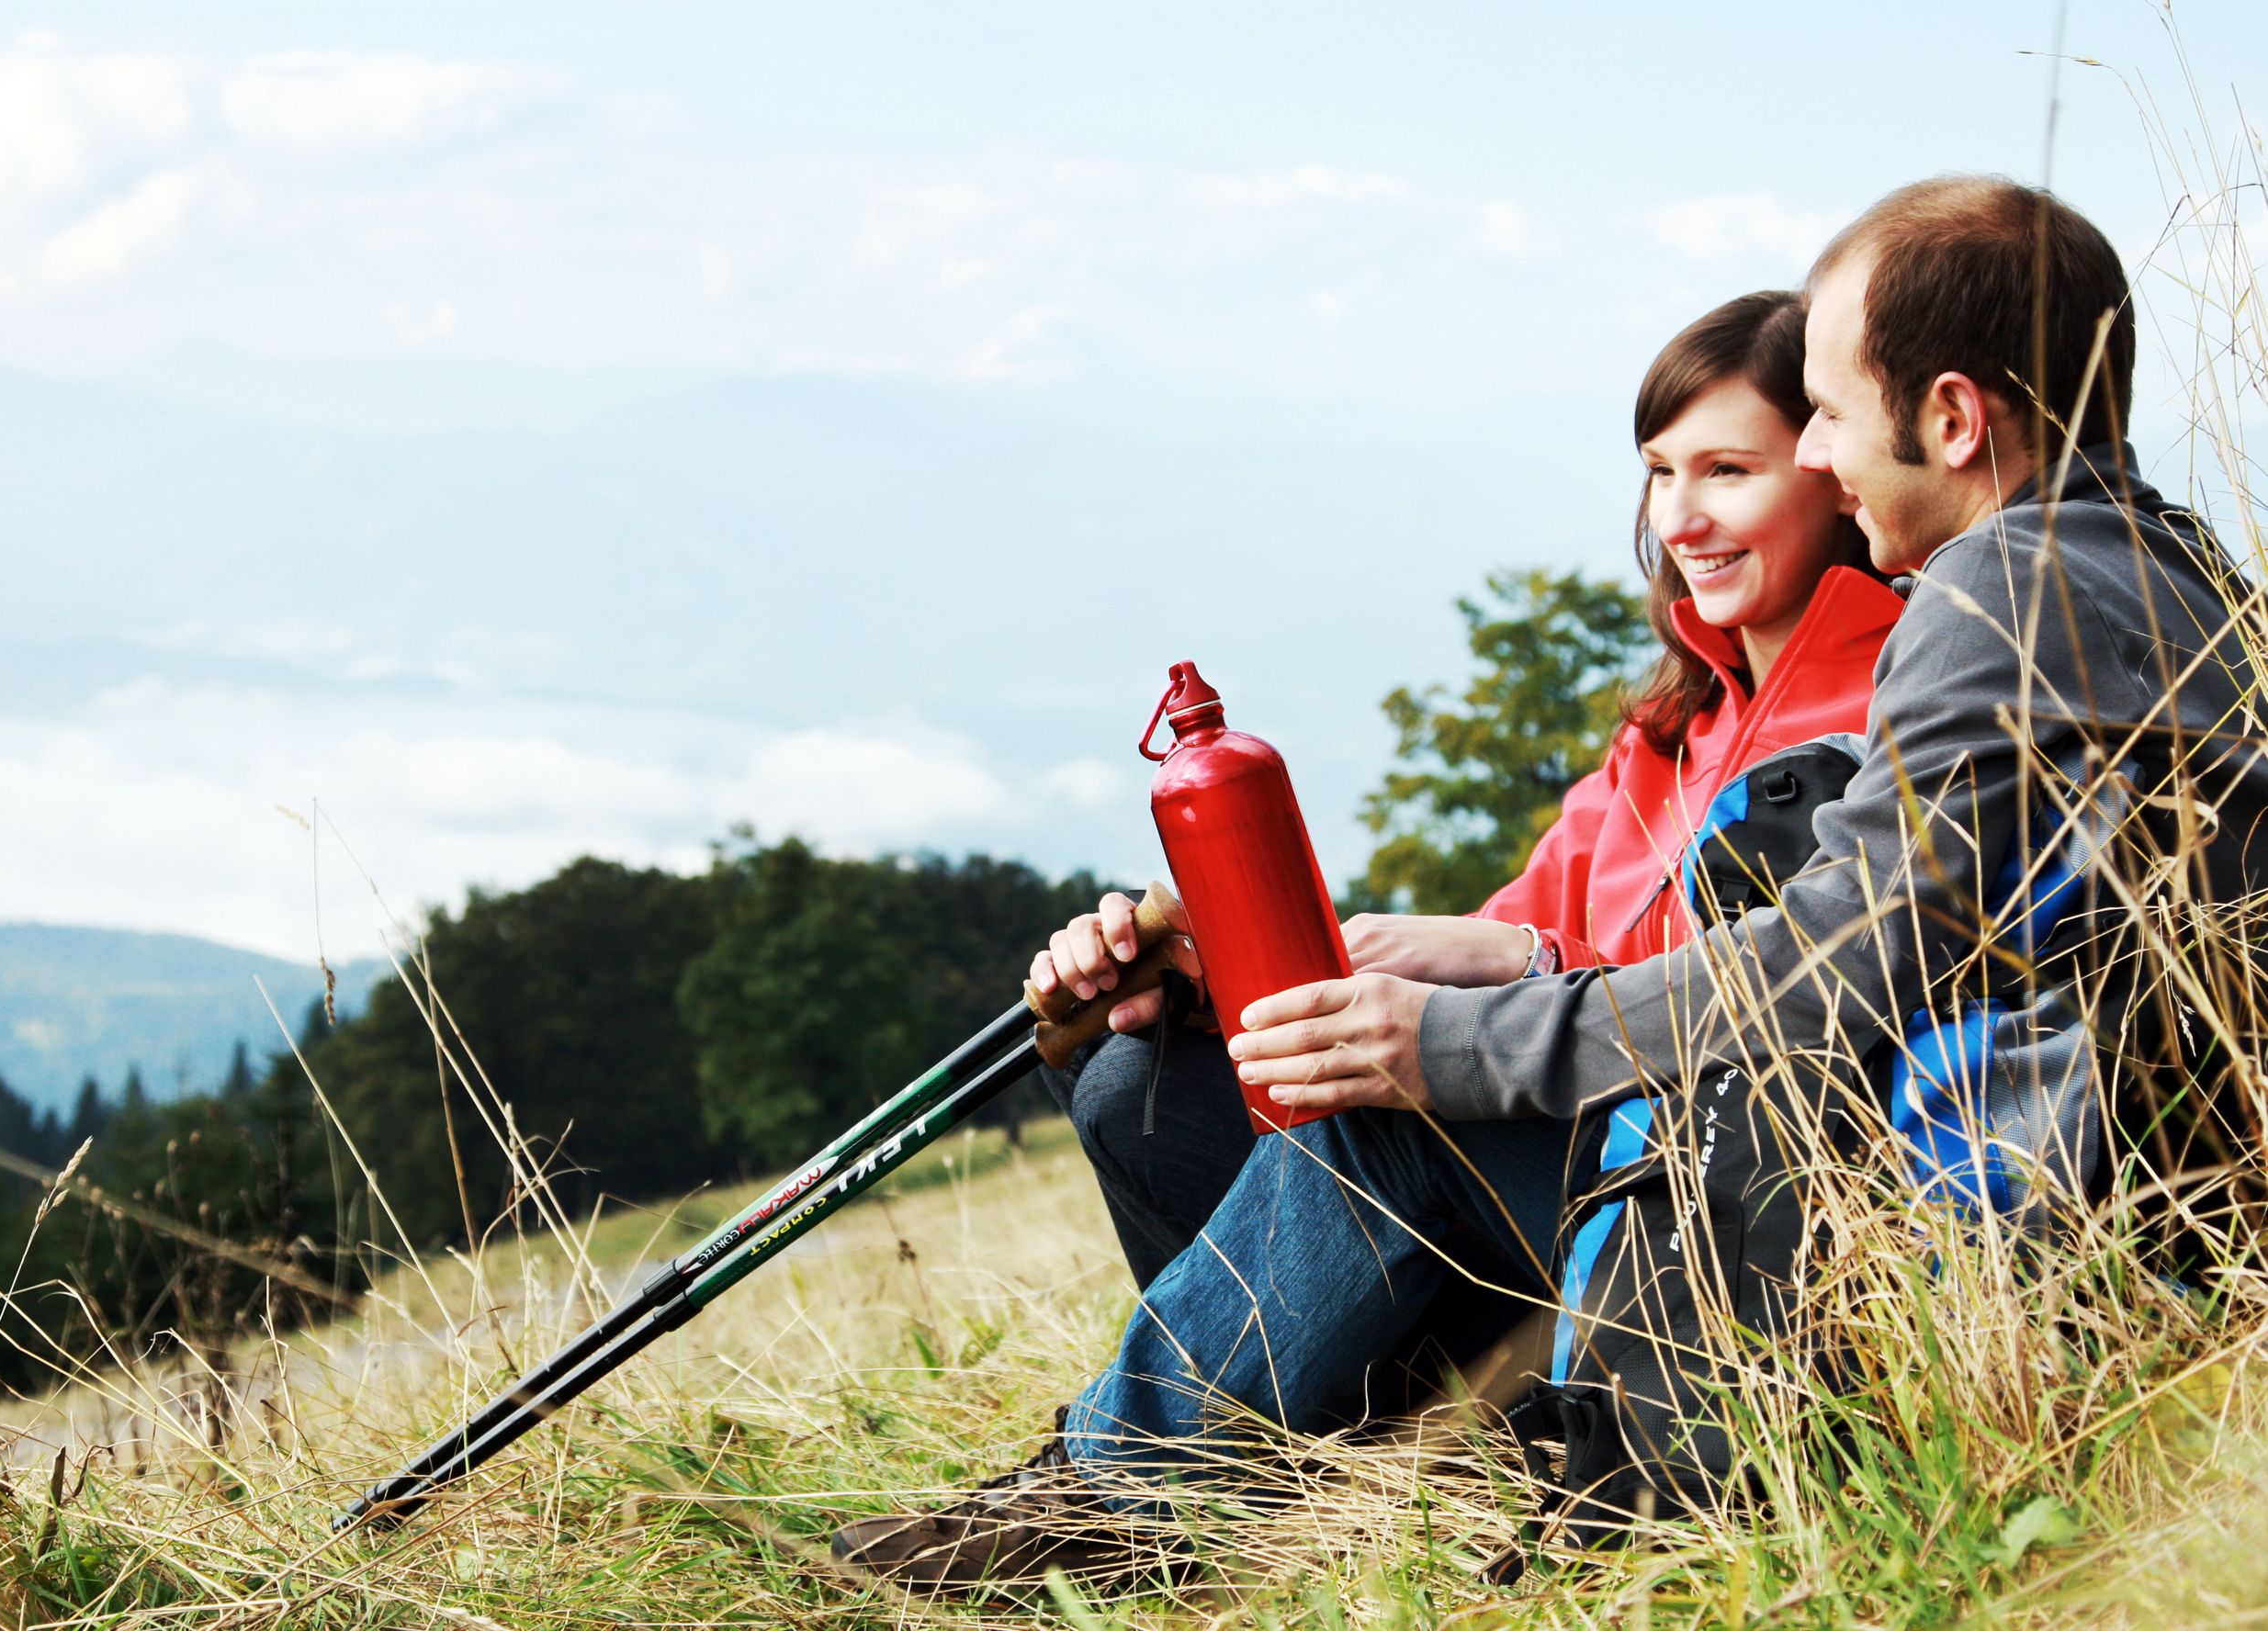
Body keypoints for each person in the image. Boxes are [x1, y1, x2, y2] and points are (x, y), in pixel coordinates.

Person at [831, 174, 2268, 1591]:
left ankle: (1103, 1510)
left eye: (1821, 415)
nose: (1824, 456)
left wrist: (1446, 1045)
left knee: (1397, 1134)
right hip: (2042, 1217)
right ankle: (1234, 1469)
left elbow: (1827, 965)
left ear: (1952, 418)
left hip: (1938, 1247)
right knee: (1167, 1095)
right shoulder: (2166, 573)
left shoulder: (1991, 596)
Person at [829, 285, 1906, 1582]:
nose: (1680, 518)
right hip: (1537, 1194)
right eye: (1660, 473)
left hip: (1699, 1206)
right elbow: (1502, 939)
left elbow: (1775, 1004)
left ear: (1834, 469)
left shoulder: (1885, 704)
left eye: (1727, 471)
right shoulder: (1668, 733)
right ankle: (1286, 1471)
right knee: (1145, 1088)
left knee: (1387, 1099)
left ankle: (1103, 1506)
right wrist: (1211, 983)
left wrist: (1509, 982)